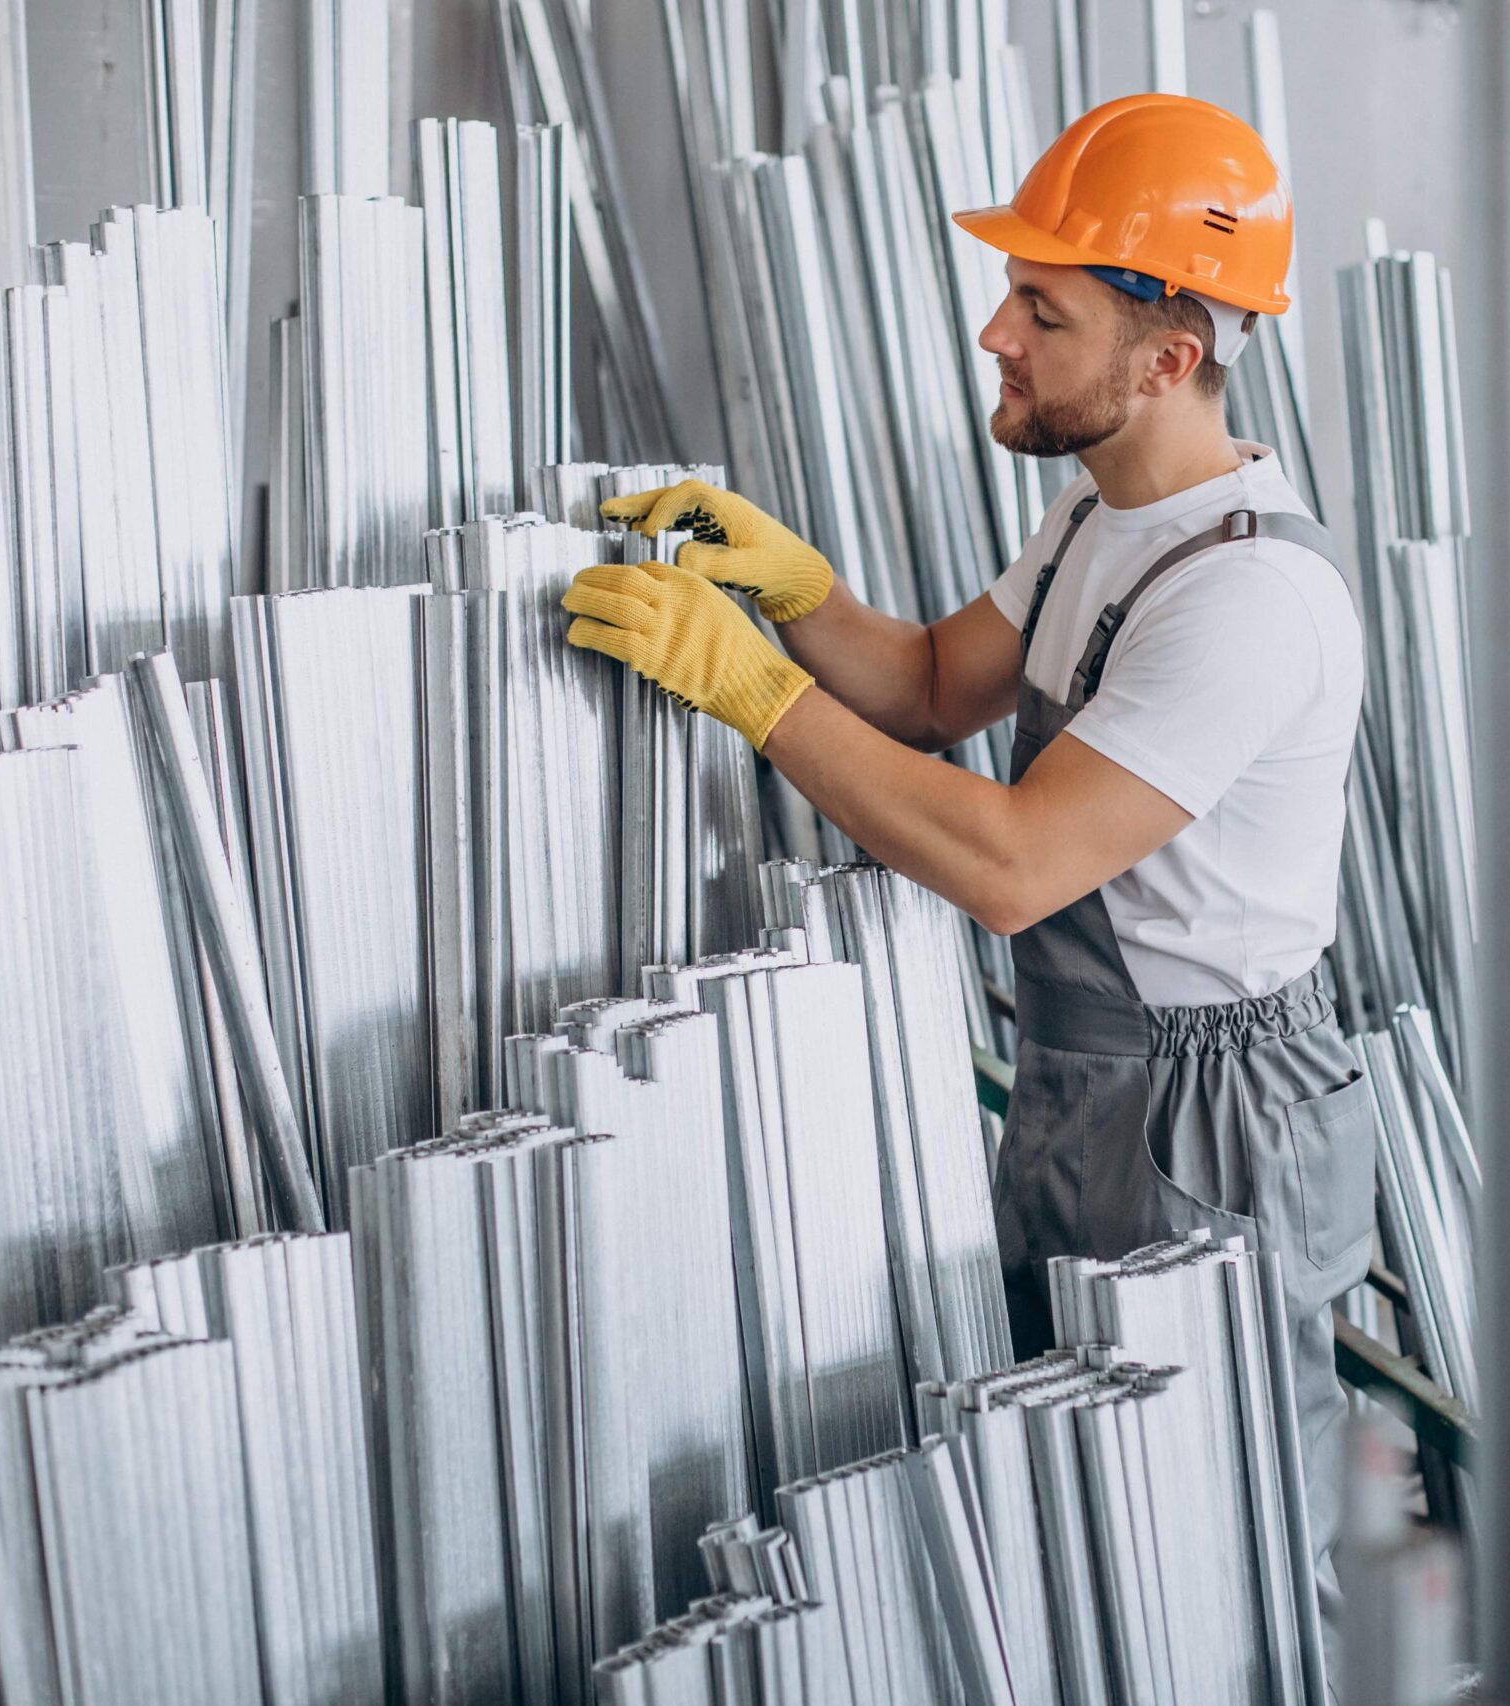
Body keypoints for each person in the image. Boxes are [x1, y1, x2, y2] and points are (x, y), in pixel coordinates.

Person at [561, 91, 1380, 1639]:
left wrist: (752, 691)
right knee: (1095, 1496)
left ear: (1169, 357)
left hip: (1213, 1108)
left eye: (1042, 308)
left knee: (1241, 1522)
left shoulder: (1248, 595)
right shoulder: (1101, 515)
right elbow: (938, 682)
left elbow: (1014, 866)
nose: (996, 331)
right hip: (1094, 1075)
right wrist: (793, 588)